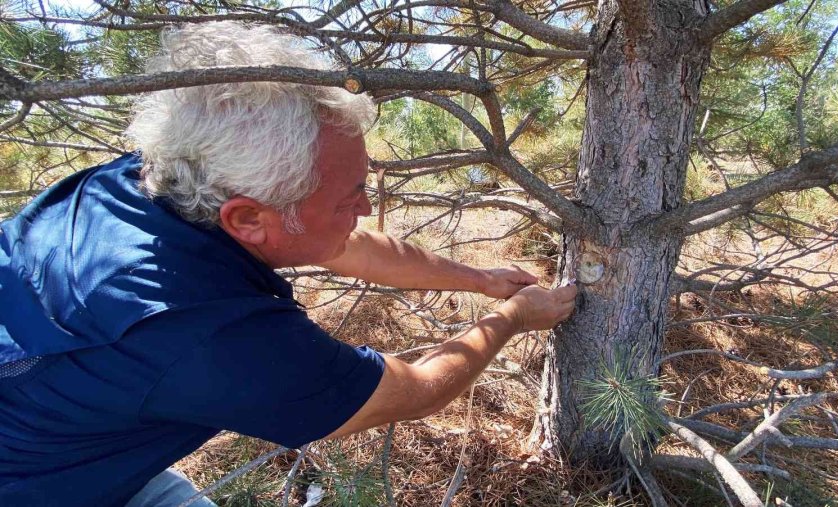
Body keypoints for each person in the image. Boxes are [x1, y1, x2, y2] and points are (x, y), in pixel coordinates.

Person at [0, 22, 576, 507]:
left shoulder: (156, 177)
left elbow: (349, 245)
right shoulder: (213, 336)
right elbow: (416, 391)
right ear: (248, 218)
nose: (366, 207)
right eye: (349, 195)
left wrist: (480, 280)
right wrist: (514, 317)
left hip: (74, 440)